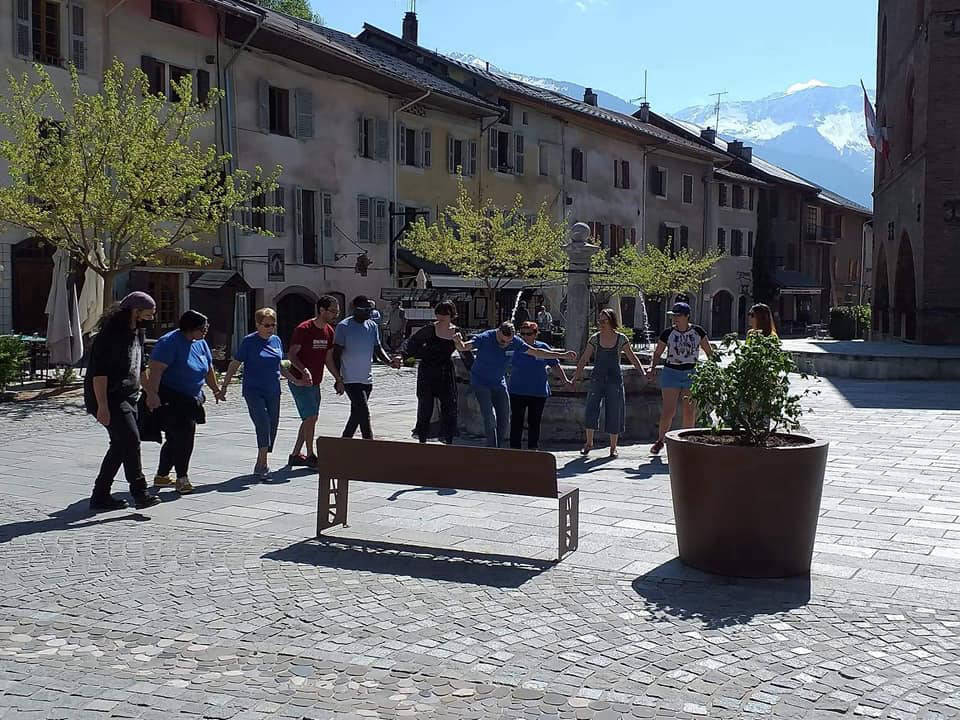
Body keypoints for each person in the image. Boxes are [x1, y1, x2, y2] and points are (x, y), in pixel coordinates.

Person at [84, 292, 162, 511]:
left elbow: (140, 367)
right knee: (130, 440)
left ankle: (100, 496)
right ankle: (140, 493)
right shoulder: (108, 336)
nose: (151, 317)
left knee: (120, 446)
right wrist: (102, 406)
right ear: (134, 310)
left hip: (129, 396)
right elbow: (99, 375)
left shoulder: (137, 332)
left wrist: (151, 392)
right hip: (108, 397)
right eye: (148, 312)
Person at [455, 321, 576, 448]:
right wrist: (458, 342)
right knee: (490, 417)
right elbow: (464, 347)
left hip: (499, 382)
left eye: (509, 342)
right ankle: (492, 449)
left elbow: (537, 352)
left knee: (505, 418)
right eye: (503, 341)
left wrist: (562, 354)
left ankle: (500, 448)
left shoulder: (516, 342)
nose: (506, 345)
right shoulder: (485, 337)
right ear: (498, 332)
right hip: (481, 382)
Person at [219, 308, 305, 479]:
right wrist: (224, 386)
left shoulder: (276, 341)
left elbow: (279, 366)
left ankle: (263, 457)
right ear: (258, 325)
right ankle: (261, 463)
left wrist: (295, 380)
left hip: (273, 390)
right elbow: (234, 364)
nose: (270, 328)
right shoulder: (249, 342)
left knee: (273, 424)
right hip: (253, 390)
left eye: (273, 325)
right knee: (263, 422)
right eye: (266, 325)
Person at [144, 310, 222, 493]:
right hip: (171, 397)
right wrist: (152, 394)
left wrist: (216, 389)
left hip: (192, 398)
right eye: (203, 328)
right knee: (184, 437)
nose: (206, 331)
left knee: (174, 439)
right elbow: (155, 371)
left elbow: (208, 369)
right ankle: (182, 478)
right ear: (190, 328)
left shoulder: (200, 343)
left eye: (207, 327)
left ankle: (162, 476)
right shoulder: (169, 343)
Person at [570, 308, 649, 458]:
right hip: (597, 378)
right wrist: (575, 377)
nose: (601, 323)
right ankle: (589, 443)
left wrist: (643, 373)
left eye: (604, 321)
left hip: (614, 379)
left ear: (612, 321)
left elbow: (632, 358)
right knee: (591, 408)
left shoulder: (621, 339)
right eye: (599, 320)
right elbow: (584, 358)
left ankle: (613, 447)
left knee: (615, 410)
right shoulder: (595, 338)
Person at [649, 301, 714, 455]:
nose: (675, 319)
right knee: (668, 410)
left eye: (678, 316)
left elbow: (709, 352)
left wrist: (712, 371)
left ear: (686, 316)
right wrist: (652, 368)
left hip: (691, 372)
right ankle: (660, 440)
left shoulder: (698, 331)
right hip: (671, 372)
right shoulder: (668, 333)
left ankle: (687, 441)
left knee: (689, 410)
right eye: (673, 316)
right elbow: (658, 353)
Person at [333, 295, 402, 439]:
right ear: (355, 309)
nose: (369, 313)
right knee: (364, 414)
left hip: (367, 379)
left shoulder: (372, 326)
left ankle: (343, 443)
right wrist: (338, 378)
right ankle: (369, 444)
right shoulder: (343, 327)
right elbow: (336, 354)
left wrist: (390, 362)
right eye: (365, 310)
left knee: (356, 415)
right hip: (350, 379)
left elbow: (378, 348)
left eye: (370, 309)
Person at [286, 296, 343, 467]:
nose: (335, 315)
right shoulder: (304, 329)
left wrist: (338, 378)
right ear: (322, 310)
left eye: (337, 311)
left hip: (315, 381)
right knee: (310, 417)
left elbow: (328, 359)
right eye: (333, 311)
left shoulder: (329, 331)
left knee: (310, 418)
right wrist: (304, 371)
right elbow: (291, 355)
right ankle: (311, 455)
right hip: (300, 381)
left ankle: (295, 454)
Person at [402, 301, 460, 444]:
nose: (440, 316)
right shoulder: (429, 329)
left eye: (444, 313)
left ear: (451, 315)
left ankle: (449, 440)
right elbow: (412, 342)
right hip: (427, 371)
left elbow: (464, 350)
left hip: (445, 371)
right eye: (438, 313)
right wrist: (404, 356)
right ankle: (422, 440)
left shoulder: (457, 331)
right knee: (425, 407)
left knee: (449, 407)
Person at [509, 321, 572, 450]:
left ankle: (533, 448)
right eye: (523, 333)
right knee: (516, 421)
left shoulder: (543, 347)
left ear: (536, 334)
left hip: (537, 392)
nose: (525, 336)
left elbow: (555, 365)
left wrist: (565, 380)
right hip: (517, 391)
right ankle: (514, 449)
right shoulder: (514, 347)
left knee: (534, 422)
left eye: (529, 333)